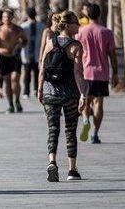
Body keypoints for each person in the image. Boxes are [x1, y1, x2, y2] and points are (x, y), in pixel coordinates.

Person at [38, 11, 87, 182]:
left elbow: (42, 68)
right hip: (70, 94)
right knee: (70, 131)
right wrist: (83, 95)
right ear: (67, 25)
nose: (78, 26)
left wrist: (39, 90)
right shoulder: (76, 46)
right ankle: (72, 170)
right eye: (76, 23)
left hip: (50, 92)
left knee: (53, 129)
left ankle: (52, 161)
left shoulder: (50, 42)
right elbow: (78, 74)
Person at [75, 3, 118, 144]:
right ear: (99, 14)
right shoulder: (107, 32)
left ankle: (86, 120)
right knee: (99, 103)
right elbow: (112, 54)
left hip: (86, 72)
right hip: (102, 72)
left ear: (88, 15)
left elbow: (76, 52)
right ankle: (95, 134)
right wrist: (115, 73)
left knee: (86, 101)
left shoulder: (81, 32)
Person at [0, 9, 28, 113]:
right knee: (7, 81)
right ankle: (11, 104)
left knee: (15, 79)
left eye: (8, 16)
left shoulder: (18, 29)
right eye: (4, 17)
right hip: (4, 58)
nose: (6, 18)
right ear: (2, 18)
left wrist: (19, 46)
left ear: (12, 17)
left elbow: (25, 40)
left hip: (15, 57)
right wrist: (1, 49)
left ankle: (17, 100)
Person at [20, 7, 45, 99]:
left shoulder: (23, 26)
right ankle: (36, 89)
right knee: (37, 73)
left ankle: (26, 92)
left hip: (28, 54)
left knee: (27, 74)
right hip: (37, 54)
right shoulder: (41, 25)